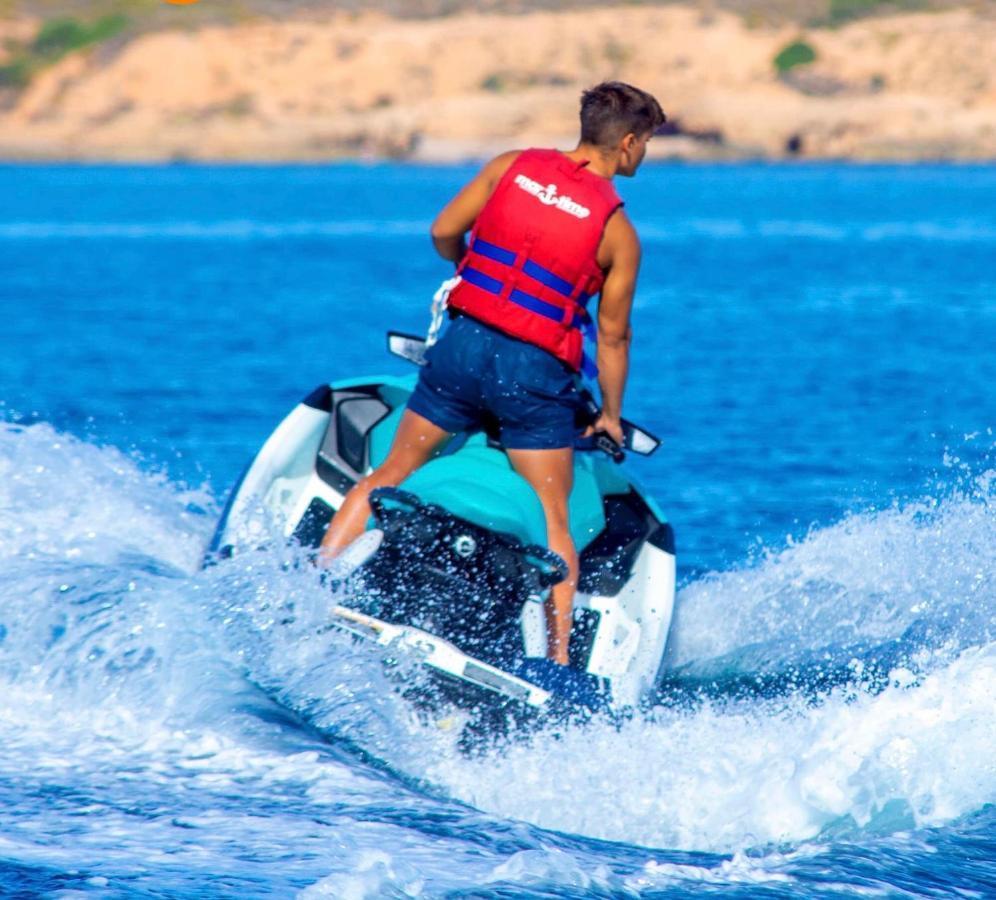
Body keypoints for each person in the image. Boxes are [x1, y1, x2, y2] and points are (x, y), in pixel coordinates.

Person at [319, 81, 664, 666]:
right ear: (627, 144)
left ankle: (312, 588)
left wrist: (472, 274)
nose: (645, 155)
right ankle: (554, 667)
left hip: (461, 349)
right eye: (646, 143)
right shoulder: (617, 233)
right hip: (530, 375)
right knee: (555, 518)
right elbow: (612, 337)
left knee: (392, 471)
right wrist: (607, 414)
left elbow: (441, 232)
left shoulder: (511, 167)